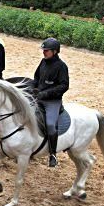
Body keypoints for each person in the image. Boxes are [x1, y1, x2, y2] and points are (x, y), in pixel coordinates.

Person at [33, 37, 69, 167]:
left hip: (52, 102)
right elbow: (36, 77)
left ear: (54, 51)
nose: (44, 52)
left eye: (46, 50)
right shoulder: (43, 62)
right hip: (39, 98)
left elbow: (64, 86)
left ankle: (52, 154)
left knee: (50, 125)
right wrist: (34, 88)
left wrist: (46, 93)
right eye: (43, 50)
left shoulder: (61, 66)